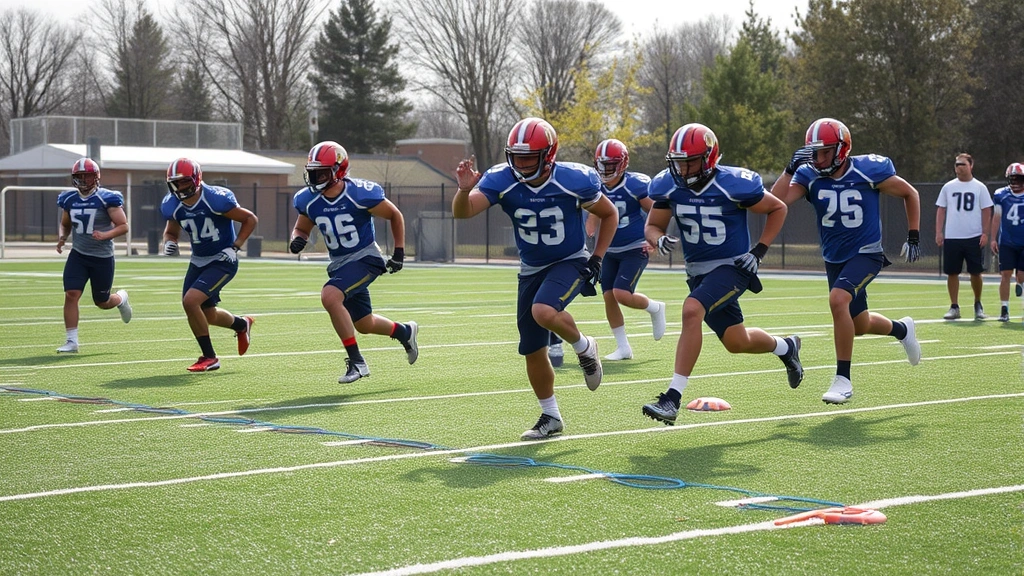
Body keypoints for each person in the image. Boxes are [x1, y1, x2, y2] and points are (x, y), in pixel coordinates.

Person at [453, 117, 618, 440]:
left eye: (528, 157)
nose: (521, 164)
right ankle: (551, 415)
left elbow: (608, 214)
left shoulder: (573, 179)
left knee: (543, 311)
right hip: (531, 268)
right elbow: (463, 212)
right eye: (516, 156)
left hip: (569, 260)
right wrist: (463, 190)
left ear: (549, 155)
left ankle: (584, 346)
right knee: (531, 347)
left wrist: (597, 258)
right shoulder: (503, 179)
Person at [641, 123, 803, 425]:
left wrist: (759, 251)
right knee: (736, 341)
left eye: (690, 161)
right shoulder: (668, 185)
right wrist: (657, 238)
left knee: (692, 309)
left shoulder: (733, 183)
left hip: (733, 267)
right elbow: (653, 225)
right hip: (698, 272)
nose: (683, 168)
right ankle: (787, 347)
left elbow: (778, 207)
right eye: (678, 161)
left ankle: (671, 399)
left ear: (709, 158)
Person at [772, 118, 922, 404]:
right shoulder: (808, 175)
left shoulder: (867, 169)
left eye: (825, 151)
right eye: (814, 152)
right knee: (860, 323)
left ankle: (843, 379)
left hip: (866, 252)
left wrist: (913, 235)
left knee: (838, 299)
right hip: (834, 257)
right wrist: (789, 168)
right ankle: (902, 329)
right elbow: (775, 201)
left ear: (842, 149)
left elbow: (909, 193)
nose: (819, 158)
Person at [288, 141, 418, 384]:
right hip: (340, 264)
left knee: (330, 296)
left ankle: (357, 362)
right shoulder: (308, 200)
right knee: (364, 323)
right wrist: (298, 239)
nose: (315, 177)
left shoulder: (359, 193)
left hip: (366, 258)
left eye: (322, 172)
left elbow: (394, 215)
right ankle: (405, 332)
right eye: (313, 171)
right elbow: (301, 228)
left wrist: (399, 252)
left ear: (339, 170)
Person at [160, 158, 257, 372]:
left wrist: (235, 246)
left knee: (190, 301)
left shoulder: (215, 199)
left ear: (196, 179)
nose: (181, 187)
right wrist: (170, 242)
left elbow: (250, 219)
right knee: (208, 314)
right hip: (198, 261)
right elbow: (171, 231)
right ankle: (242, 324)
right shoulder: (172, 204)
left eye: (185, 182)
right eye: (176, 183)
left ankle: (209, 357)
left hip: (222, 260)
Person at [585, 138, 666, 360]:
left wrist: (654, 238)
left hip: (635, 246)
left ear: (622, 164)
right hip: (610, 250)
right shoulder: (596, 185)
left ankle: (655, 307)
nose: (605, 170)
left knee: (621, 293)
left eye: (610, 165)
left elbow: (658, 211)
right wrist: (590, 228)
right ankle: (623, 348)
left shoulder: (636, 184)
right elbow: (594, 211)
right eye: (602, 165)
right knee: (609, 297)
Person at [54, 158, 132, 352]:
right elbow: (65, 222)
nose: (83, 180)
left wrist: (105, 235)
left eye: (87, 176)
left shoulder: (107, 198)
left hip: (102, 257)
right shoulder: (69, 199)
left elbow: (124, 226)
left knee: (102, 302)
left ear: (96, 177)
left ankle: (121, 298)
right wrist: (63, 237)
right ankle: (72, 341)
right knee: (71, 294)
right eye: (79, 177)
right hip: (79, 255)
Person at [935, 153, 992, 320]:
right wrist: (939, 232)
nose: (959, 167)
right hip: (953, 236)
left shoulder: (979, 187)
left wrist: (985, 233)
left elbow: (987, 210)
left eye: (962, 164)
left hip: (973, 236)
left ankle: (978, 303)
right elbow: (941, 209)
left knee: (976, 272)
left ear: (971, 165)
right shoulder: (948, 187)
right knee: (952, 272)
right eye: (957, 164)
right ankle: (954, 306)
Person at [990, 162, 1024, 322]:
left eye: (1019, 178)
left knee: (1022, 276)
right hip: (1007, 241)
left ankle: (1021, 286)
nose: (1016, 181)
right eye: (1013, 178)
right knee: (1005, 274)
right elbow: (996, 218)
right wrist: (992, 238)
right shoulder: (1000, 195)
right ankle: (1004, 308)